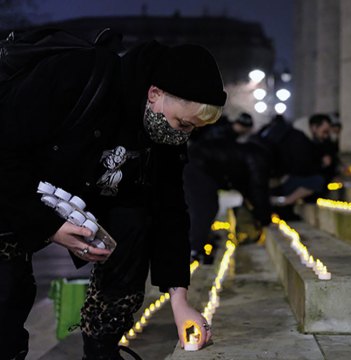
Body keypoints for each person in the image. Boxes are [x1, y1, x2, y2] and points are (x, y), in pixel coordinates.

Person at [0, 28, 226, 359]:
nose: (183, 135)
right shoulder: (76, 77)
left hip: (81, 195)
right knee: (7, 291)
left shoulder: (162, 136)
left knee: (135, 223)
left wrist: (180, 301)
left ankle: (102, 349)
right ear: (154, 94)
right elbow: (5, 157)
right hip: (13, 189)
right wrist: (49, 226)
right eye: (183, 123)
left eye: (193, 129)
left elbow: (170, 211)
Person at [184, 136, 272, 263]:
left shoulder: (251, 153)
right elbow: (258, 189)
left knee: (204, 208)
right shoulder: (257, 159)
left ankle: (199, 244)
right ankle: (194, 250)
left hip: (197, 161)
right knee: (204, 209)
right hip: (198, 165)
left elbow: (247, 186)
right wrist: (264, 218)